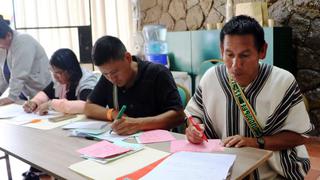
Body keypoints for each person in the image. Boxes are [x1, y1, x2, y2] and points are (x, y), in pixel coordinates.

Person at [185, 15, 313, 179]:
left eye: (244, 55)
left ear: (262, 51)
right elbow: (194, 113)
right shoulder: (211, 77)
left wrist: (256, 142)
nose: (235, 65)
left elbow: (300, 136)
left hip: (273, 169)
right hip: (219, 165)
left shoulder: (282, 81)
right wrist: (193, 129)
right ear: (221, 50)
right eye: (229, 54)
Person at [84, 35, 184, 135]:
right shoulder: (109, 76)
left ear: (128, 58)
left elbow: (178, 116)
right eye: (105, 74)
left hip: (160, 142)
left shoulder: (157, 73)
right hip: (126, 143)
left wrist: (138, 124)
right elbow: (88, 107)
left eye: (115, 72)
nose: (112, 79)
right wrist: (113, 113)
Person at [23, 48, 98, 115]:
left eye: (59, 73)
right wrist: (35, 102)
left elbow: (86, 105)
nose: (55, 76)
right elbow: (46, 93)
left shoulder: (86, 81)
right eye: (53, 71)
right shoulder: (61, 80)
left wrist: (51, 104)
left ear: (71, 70)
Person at [0, 17, 51, 105]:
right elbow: (3, 77)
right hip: (24, 93)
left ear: (8, 35)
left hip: (42, 91)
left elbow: (19, 74)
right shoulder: (3, 48)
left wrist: (11, 97)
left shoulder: (23, 41)